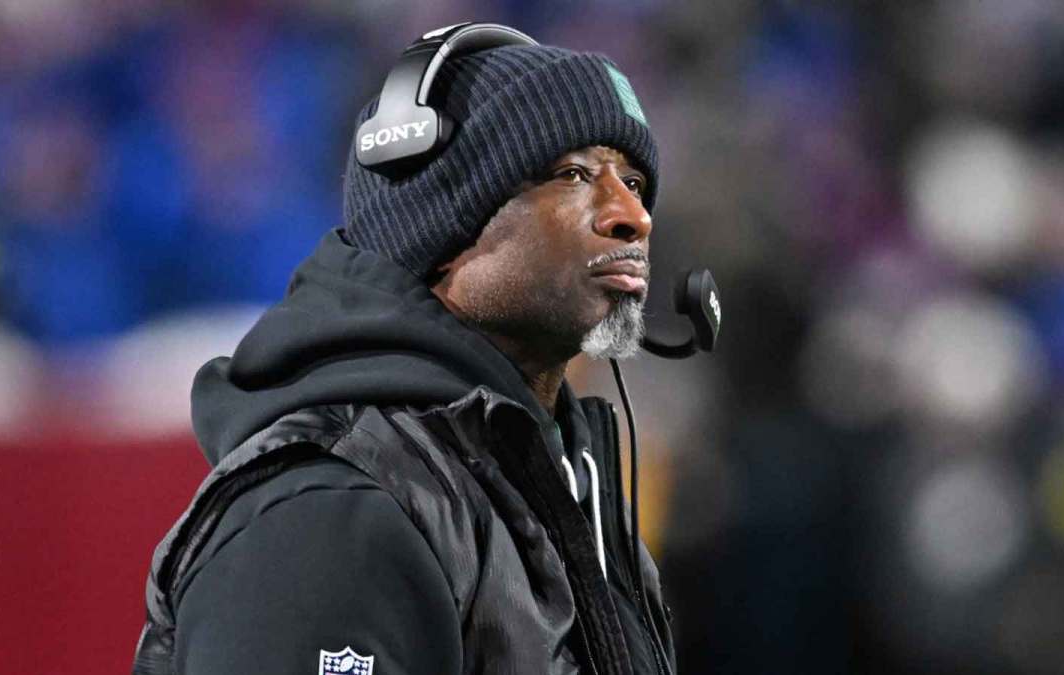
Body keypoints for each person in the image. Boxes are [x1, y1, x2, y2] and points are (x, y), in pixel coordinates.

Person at [133, 24, 677, 675]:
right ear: (442, 219)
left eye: (635, 182)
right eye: (574, 174)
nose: (632, 215)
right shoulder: (329, 513)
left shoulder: (563, 489)